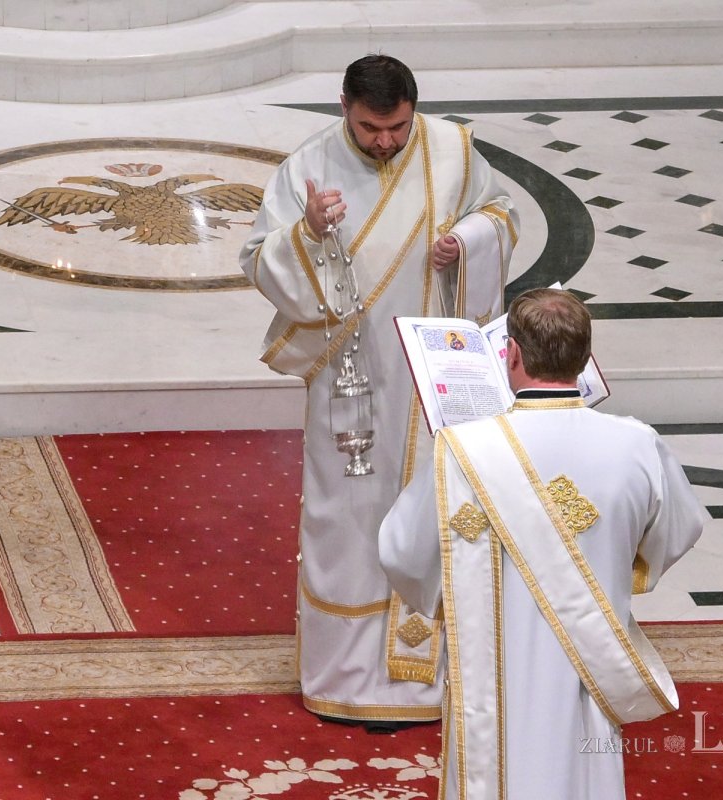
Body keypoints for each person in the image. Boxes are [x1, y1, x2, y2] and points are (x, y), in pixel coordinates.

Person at [239, 54, 519, 729]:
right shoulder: (308, 168)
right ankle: (345, 673)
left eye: (396, 127)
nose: (385, 142)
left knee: (438, 512)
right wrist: (306, 235)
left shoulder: (452, 151)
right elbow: (256, 258)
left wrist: (467, 241)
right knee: (348, 521)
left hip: (432, 379)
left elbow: (501, 214)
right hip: (353, 382)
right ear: (344, 108)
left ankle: (436, 675)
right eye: (370, 128)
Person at [379, 288, 707, 797]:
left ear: (510, 354)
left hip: (499, 671)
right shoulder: (637, 443)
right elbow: (681, 529)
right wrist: (616, 561)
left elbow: (402, 551)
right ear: (584, 357)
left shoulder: (463, 451)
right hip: (589, 655)